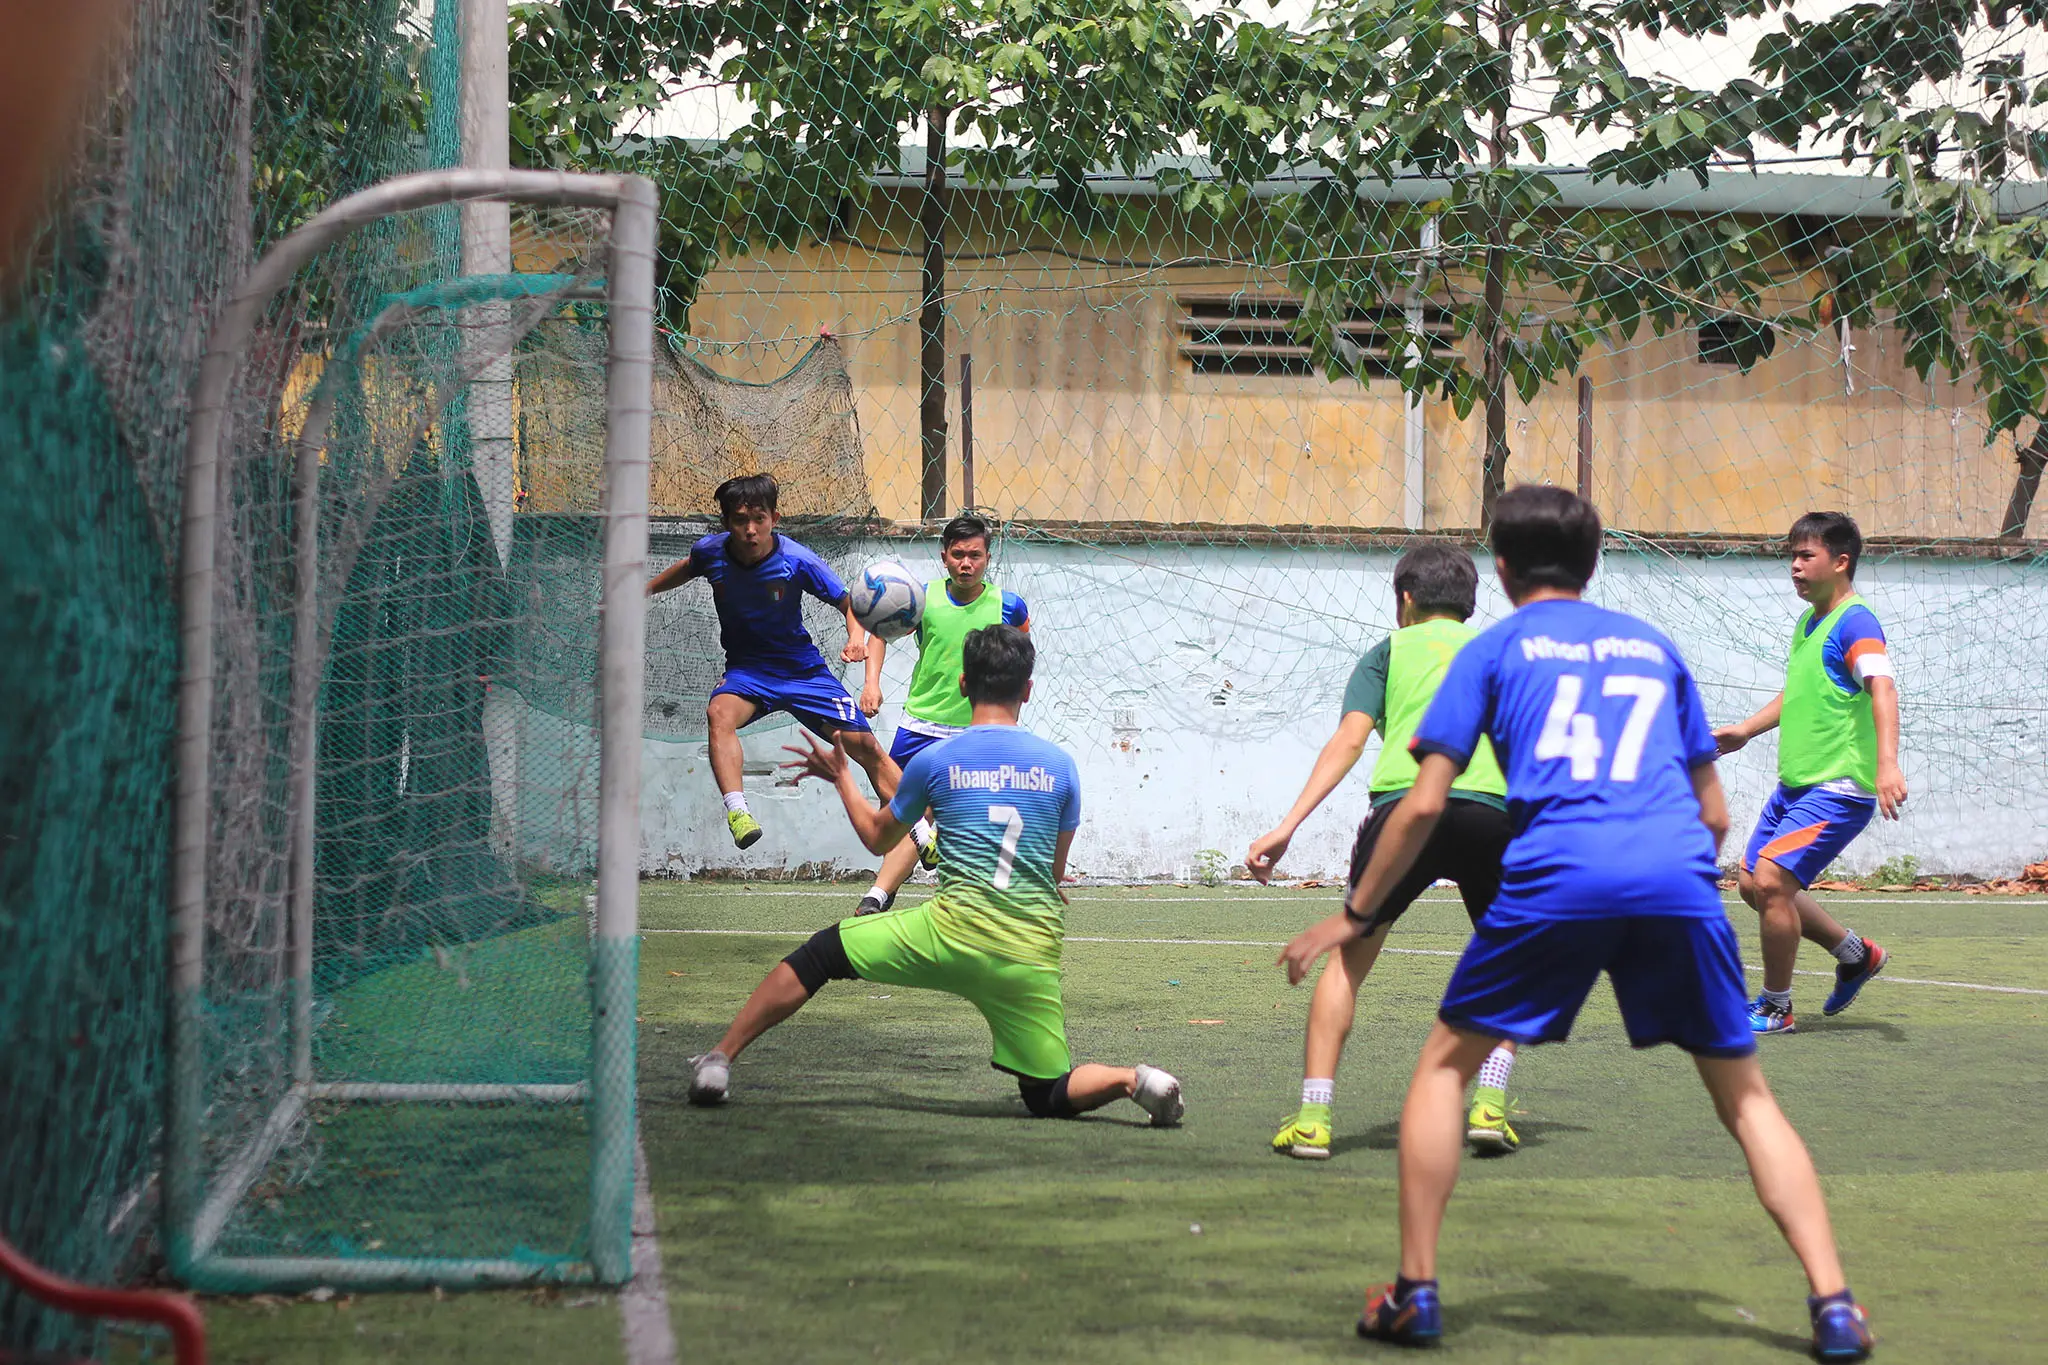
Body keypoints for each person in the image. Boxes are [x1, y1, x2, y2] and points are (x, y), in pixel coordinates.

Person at [1278, 486, 1873, 1361]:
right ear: (1593, 565)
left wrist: (1353, 914)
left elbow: (1419, 805)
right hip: (1676, 875)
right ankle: (1835, 1306)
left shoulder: (1492, 651)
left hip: (1557, 873)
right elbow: (1714, 813)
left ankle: (1416, 1293)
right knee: (1747, 1100)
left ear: (1505, 568)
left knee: (1442, 1071)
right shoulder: (1652, 645)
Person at [685, 624, 1185, 1128]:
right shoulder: (1062, 767)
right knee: (1045, 1092)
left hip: (949, 932)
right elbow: (1054, 874)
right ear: (1028, 690)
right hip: (1029, 948)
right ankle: (1136, 1080)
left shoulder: (936, 760)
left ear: (964, 684)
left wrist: (842, 780)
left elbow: (879, 839)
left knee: (819, 956)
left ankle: (719, 1061)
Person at [1248, 542, 1522, 1160]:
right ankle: (1490, 1105)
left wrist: (1288, 825)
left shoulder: (1387, 653)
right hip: (1490, 812)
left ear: (1405, 599)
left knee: (1348, 960)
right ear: (1470, 603)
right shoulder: (1500, 653)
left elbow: (1348, 741)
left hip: (1404, 810)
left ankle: (1315, 1118)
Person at [1715, 512, 1904, 1035]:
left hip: (1838, 787)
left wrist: (1887, 765)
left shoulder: (1856, 621)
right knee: (1753, 886)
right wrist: (1746, 731)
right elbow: (1797, 693)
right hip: (1795, 786)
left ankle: (1776, 1007)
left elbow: (1882, 687)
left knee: (1773, 882)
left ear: (1840, 562)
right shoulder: (1810, 622)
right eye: (1792, 556)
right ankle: (1854, 954)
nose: (1795, 567)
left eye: (1806, 556)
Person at [645, 473, 901, 850]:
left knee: (865, 747)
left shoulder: (797, 559)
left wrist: (855, 638)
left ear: (774, 519)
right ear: (726, 523)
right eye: (740, 520)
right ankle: (738, 812)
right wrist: (644, 589)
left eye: (759, 519)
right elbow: (687, 567)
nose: (750, 529)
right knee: (719, 714)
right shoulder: (710, 553)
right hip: (748, 673)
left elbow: (848, 603)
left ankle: (919, 828)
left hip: (803, 673)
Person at [854, 512, 1031, 916]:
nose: (966, 563)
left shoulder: (1007, 605)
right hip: (919, 723)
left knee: (971, 819)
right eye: (958, 555)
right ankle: (881, 896)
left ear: (987, 558)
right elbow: (880, 635)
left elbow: (1023, 653)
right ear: (944, 557)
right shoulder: (920, 598)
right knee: (904, 817)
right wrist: (872, 682)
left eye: (974, 555)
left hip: (976, 730)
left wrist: (1013, 703)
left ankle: (891, 895)